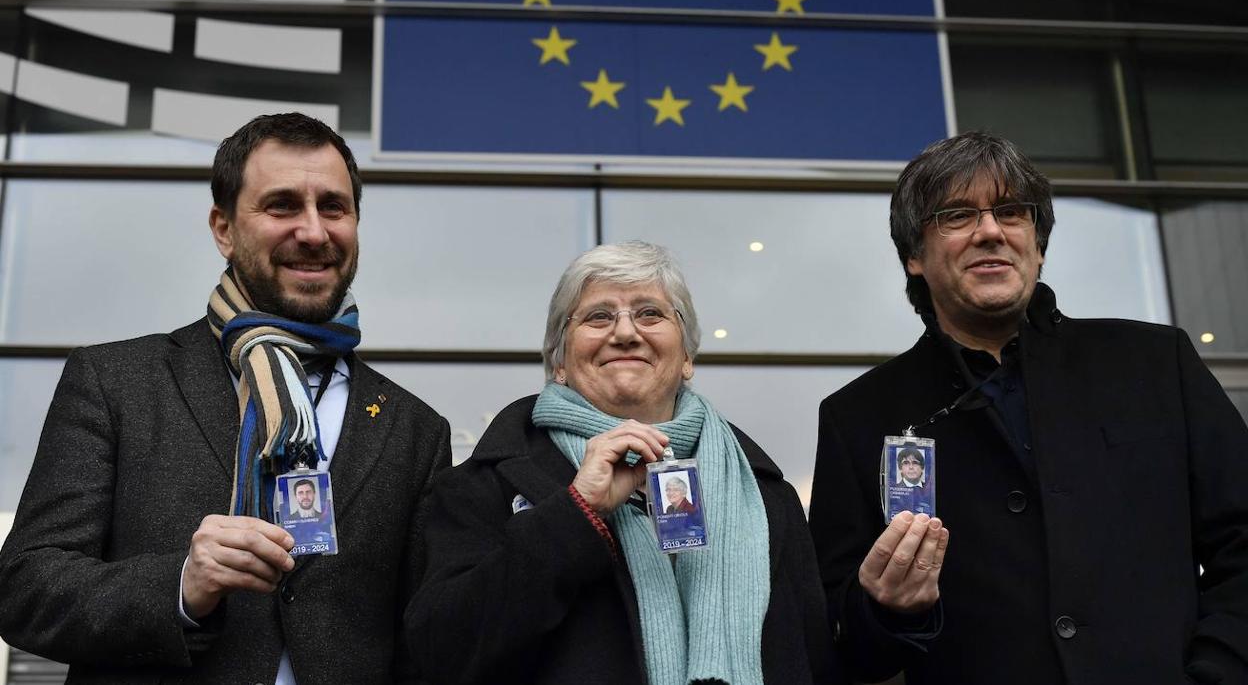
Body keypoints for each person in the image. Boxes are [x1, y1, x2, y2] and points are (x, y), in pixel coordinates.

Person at [0, 113, 451, 684]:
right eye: (282, 205)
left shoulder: (415, 430)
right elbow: (23, 587)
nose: (313, 232)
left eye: (333, 207)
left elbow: (425, 642)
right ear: (224, 228)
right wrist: (181, 584)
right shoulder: (116, 382)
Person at [807, 131, 1248, 685]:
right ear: (915, 256)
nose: (990, 231)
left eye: (1011, 212)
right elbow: (838, 641)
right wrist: (887, 610)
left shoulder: (1156, 364)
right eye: (958, 215)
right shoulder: (859, 418)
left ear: (1036, 243)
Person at [408, 241, 841, 685]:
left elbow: (817, 663)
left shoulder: (766, 497)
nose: (626, 333)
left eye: (650, 313)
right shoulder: (484, 486)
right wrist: (576, 512)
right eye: (598, 316)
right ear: (558, 361)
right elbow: (440, 654)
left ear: (687, 357)